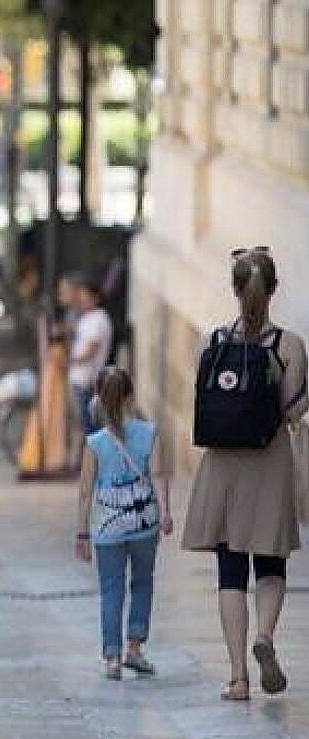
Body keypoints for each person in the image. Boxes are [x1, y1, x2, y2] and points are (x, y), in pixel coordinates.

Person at [182, 247, 308, 702]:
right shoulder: (288, 345)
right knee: (271, 564)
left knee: (230, 570)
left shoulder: (212, 342)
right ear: (273, 289)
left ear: (235, 289)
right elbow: (291, 413)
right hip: (268, 462)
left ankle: (238, 678)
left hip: (222, 466)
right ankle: (265, 636)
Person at [76, 368, 173, 680]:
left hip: (108, 528)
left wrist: (81, 534)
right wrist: (165, 512)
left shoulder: (94, 443)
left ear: (99, 400)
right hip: (144, 523)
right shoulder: (150, 433)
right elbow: (158, 475)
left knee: (111, 589)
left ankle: (112, 658)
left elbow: (85, 493)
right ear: (131, 397)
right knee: (143, 582)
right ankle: (135, 647)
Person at [67, 273, 113, 438]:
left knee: (91, 427)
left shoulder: (99, 318)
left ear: (95, 297)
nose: (82, 300)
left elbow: (91, 350)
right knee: (86, 424)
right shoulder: (87, 317)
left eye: (85, 296)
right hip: (79, 379)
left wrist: (68, 360)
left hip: (87, 380)